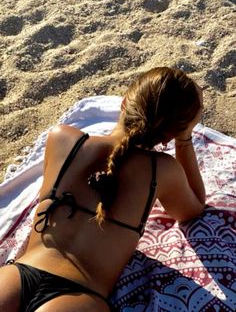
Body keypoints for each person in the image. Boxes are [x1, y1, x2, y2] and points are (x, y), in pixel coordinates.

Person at [0, 66, 205, 311]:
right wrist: (185, 140)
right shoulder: (161, 170)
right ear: (171, 134)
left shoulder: (63, 139)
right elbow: (191, 210)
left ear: (125, 102)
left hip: (16, 276)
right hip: (78, 296)